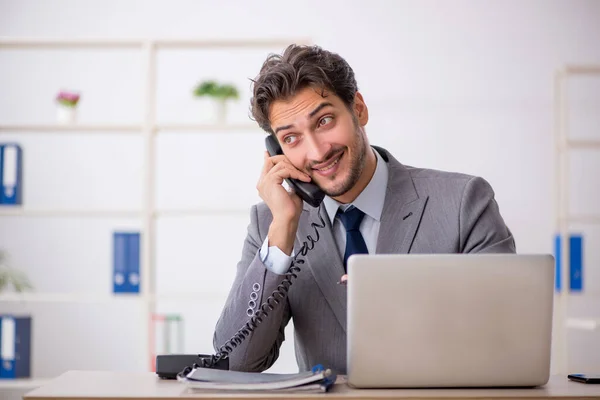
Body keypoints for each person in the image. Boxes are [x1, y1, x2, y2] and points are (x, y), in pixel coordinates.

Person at [213, 44, 516, 374]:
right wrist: (283, 230)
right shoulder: (270, 225)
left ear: (358, 109)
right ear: (277, 151)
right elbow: (237, 361)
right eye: (291, 138)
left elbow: (507, 338)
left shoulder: (463, 202)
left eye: (325, 120)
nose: (317, 152)